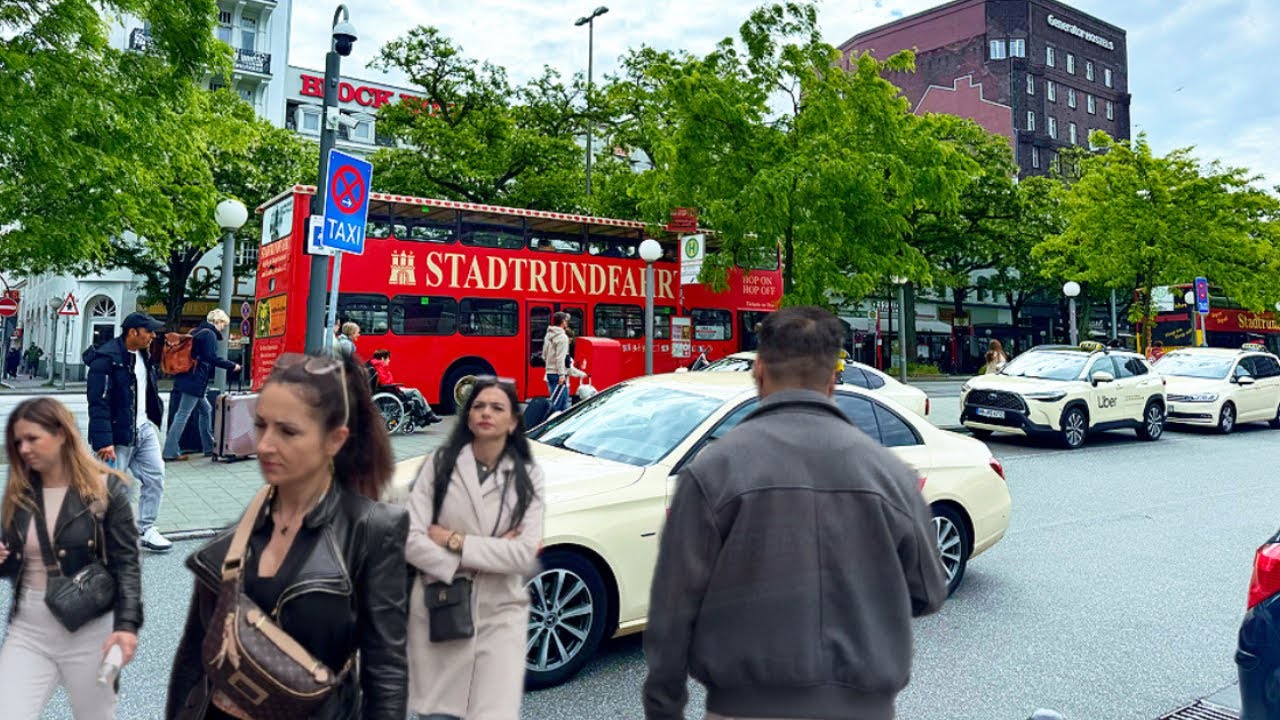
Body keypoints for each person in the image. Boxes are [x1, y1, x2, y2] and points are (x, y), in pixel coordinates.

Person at [642, 306, 948, 720]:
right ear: (832, 379)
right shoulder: (891, 474)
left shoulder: (712, 471)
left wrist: (665, 708)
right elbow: (928, 593)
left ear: (759, 371)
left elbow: (672, 609)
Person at [166, 352, 409, 720]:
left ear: (335, 440)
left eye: (288, 431)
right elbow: (193, 657)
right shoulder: (236, 537)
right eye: (261, 425)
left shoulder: (373, 531)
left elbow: (386, 672)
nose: (264, 445)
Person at [404, 377, 545, 720]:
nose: (486, 413)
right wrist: (465, 564)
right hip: (442, 608)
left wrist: (455, 542)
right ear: (467, 417)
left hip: (500, 617)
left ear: (513, 422)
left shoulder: (528, 477)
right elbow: (409, 537)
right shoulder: (439, 466)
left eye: (497, 408)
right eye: (479, 406)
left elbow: (525, 553)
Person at [0, 397, 143, 719]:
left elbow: (127, 565)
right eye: (18, 442)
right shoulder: (20, 491)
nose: (23, 449)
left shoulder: (105, 490)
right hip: (29, 628)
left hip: (90, 630)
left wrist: (126, 625)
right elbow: (13, 563)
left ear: (61, 434)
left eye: (32, 439)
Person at [84, 312, 172, 553]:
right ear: (133, 332)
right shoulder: (106, 359)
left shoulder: (143, 354)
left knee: (156, 477)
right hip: (117, 433)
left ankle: (147, 528)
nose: (153, 336)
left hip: (143, 429)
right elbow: (98, 401)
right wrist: (104, 440)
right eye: (149, 331)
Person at [163, 309, 242, 462]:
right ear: (217, 321)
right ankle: (170, 451)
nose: (223, 328)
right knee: (182, 414)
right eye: (223, 324)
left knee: (206, 410)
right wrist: (231, 365)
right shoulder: (209, 334)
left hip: (188, 378)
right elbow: (211, 357)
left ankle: (208, 446)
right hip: (194, 380)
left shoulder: (195, 331)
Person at [369, 349, 443, 425]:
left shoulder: (376, 365)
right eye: (388, 358)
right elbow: (385, 382)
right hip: (391, 390)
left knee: (417, 395)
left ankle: (427, 415)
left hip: (391, 389)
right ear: (382, 358)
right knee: (415, 392)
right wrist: (396, 385)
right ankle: (427, 415)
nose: (389, 361)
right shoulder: (380, 366)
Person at [543, 312, 571, 413]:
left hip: (549, 373)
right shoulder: (563, 337)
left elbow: (544, 355)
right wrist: (562, 375)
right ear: (563, 321)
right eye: (566, 320)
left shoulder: (548, 335)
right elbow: (560, 358)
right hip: (558, 374)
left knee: (559, 403)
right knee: (560, 404)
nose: (567, 323)